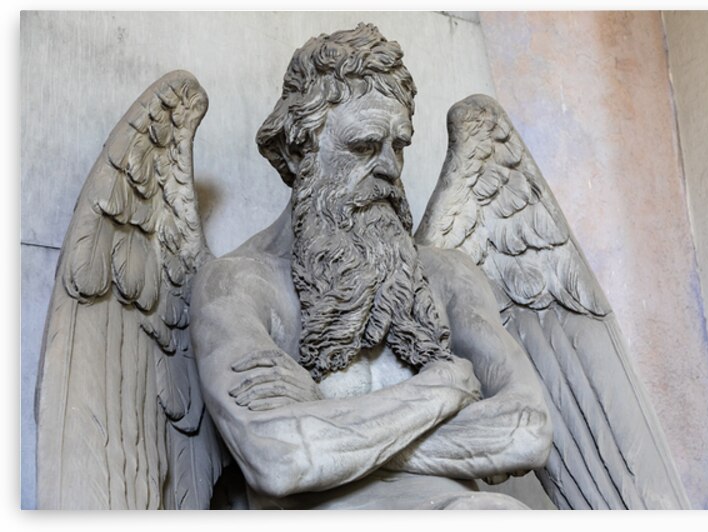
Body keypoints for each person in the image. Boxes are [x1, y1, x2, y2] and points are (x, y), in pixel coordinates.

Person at [189, 23, 552, 510]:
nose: (388, 167)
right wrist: (444, 389)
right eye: (362, 146)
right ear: (299, 152)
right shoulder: (239, 285)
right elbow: (280, 458)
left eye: (398, 146)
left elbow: (526, 431)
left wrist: (324, 417)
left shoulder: (447, 275)